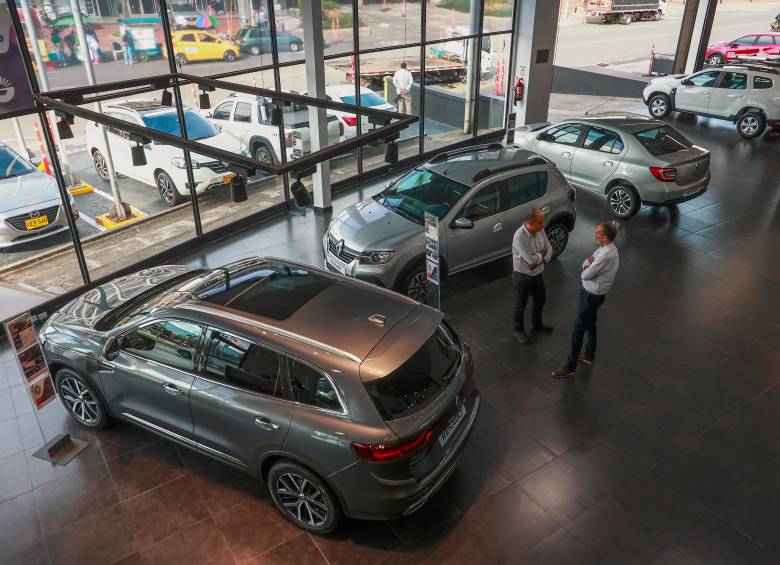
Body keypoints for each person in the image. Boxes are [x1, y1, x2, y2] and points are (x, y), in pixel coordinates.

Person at [552, 222, 620, 378]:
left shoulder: (605, 254)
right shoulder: (606, 248)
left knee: (578, 329)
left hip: (591, 296)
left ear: (605, 237)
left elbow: (585, 274)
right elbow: (588, 259)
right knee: (590, 322)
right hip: (594, 295)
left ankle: (570, 365)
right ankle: (589, 354)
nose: (595, 235)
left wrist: (586, 266)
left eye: (598, 233)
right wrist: (587, 264)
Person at [511, 208, 554, 344]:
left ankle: (537, 324)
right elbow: (530, 260)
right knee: (520, 305)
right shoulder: (519, 236)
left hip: (537, 273)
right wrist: (542, 255)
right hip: (522, 276)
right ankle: (518, 330)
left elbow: (550, 249)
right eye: (540, 222)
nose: (543, 225)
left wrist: (540, 259)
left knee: (541, 299)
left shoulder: (540, 230)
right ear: (530, 222)